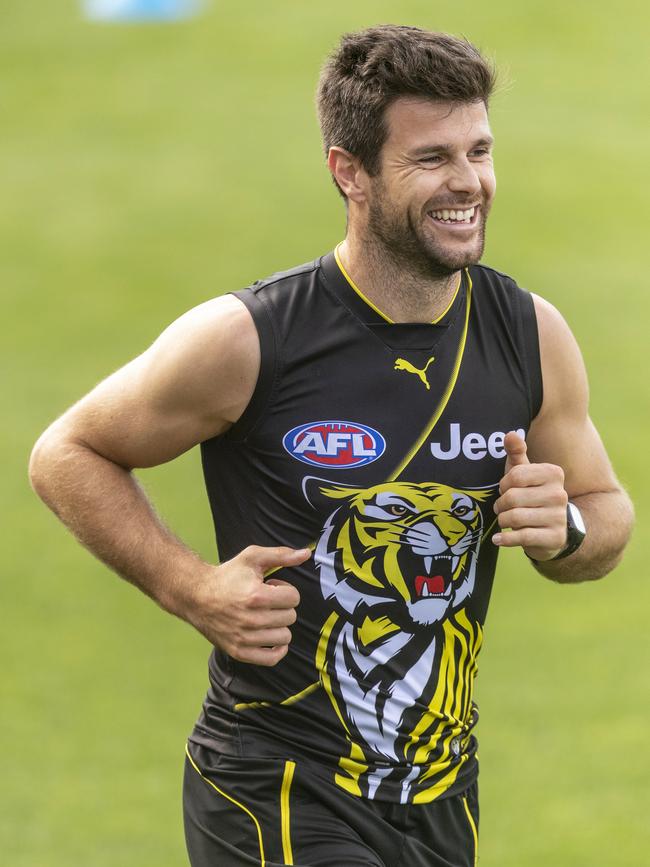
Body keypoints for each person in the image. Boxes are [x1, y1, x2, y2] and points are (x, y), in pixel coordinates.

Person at [29, 24, 633, 867]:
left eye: (480, 149)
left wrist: (564, 525)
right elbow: (67, 452)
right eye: (432, 159)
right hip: (275, 785)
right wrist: (190, 586)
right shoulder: (250, 339)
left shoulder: (530, 333)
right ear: (349, 171)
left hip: (437, 794)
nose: (470, 183)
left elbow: (605, 517)